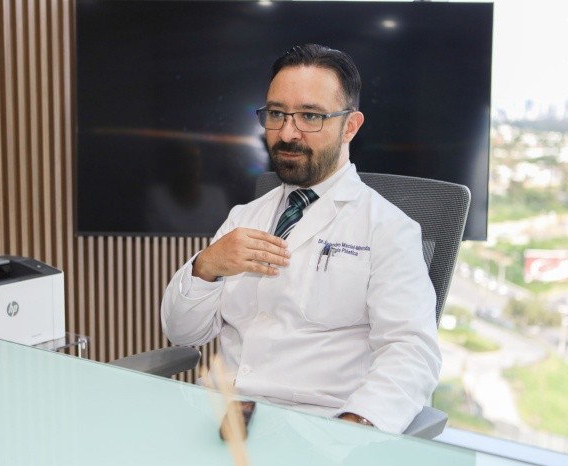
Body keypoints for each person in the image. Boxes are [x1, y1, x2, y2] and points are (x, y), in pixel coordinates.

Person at [161, 44, 441, 434]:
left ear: (350, 126)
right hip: (222, 417)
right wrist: (206, 266)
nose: (287, 133)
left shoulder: (388, 229)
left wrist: (355, 427)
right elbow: (182, 332)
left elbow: (411, 352)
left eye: (310, 116)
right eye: (277, 114)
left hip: (319, 429)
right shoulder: (244, 217)